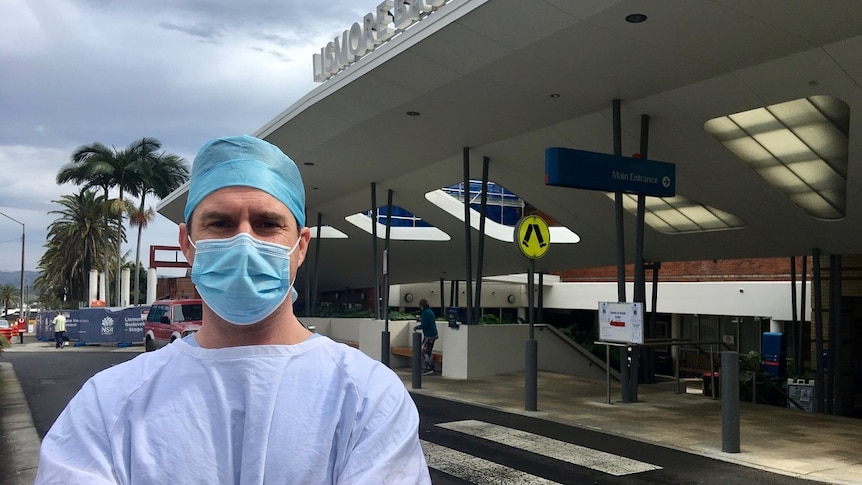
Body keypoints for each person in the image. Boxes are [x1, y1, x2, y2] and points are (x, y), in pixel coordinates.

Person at [36, 135, 431, 484]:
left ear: (302, 246)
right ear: (187, 243)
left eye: (266, 224)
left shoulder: (367, 397)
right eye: (221, 223)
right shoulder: (109, 404)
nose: (244, 241)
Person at [414, 299, 438, 375]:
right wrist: (421, 320)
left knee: (423, 350)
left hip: (428, 335)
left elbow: (425, 325)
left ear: (421, 306)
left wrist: (416, 327)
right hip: (434, 334)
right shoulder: (430, 311)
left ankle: (429, 367)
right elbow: (428, 321)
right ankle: (432, 367)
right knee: (428, 351)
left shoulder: (424, 313)